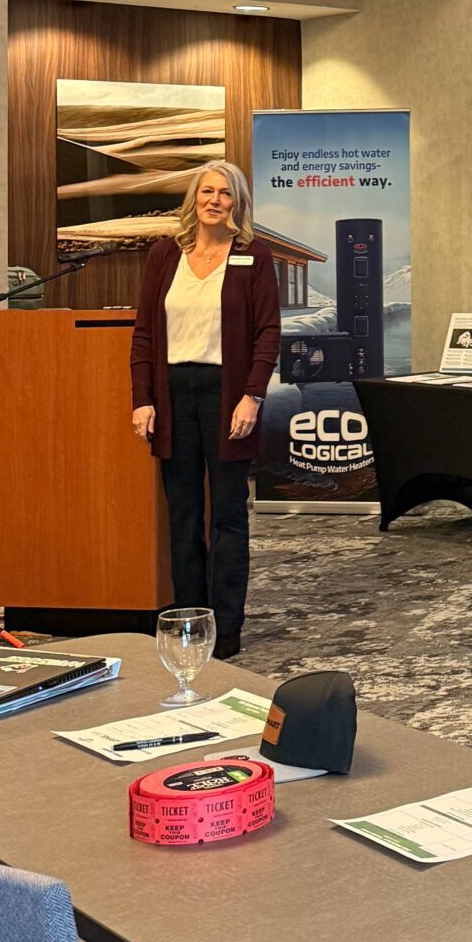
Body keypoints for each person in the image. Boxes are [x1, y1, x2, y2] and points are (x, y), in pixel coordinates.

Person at [129, 161, 281, 662]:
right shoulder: (164, 255)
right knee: (184, 513)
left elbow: (267, 333)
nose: (215, 200)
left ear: (238, 203)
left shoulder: (253, 255)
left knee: (229, 515)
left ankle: (227, 628)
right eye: (207, 191)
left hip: (227, 393)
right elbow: (144, 334)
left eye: (226, 194)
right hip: (173, 394)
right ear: (193, 198)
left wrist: (252, 395)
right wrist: (142, 398)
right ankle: (189, 621)